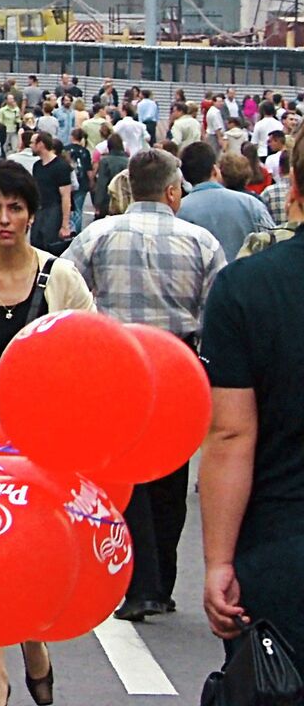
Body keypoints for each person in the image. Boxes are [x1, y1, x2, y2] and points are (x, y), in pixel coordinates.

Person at [0, 161, 94, 706]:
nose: (4, 219)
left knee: (29, 550)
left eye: (15, 208)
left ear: (32, 213)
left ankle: (33, 639)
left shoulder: (62, 278)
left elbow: (88, 354)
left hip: (41, 433)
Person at [63, 147, 227, 622]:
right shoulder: (200, 241)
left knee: (122, 474)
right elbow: (213, 311)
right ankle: (163, 582)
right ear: (172, 190)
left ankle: (136, 579)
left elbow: (69, 291)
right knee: (170, 477)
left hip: (114, 367)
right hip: (178, 367)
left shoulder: (97, 235)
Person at [197, 164, 304, 668]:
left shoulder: (245, 286)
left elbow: (231, 434)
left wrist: (219, 559)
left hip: (280, 540)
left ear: (295, 190)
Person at [175, 140, 274, 262]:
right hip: (247, 276)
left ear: (184, 176)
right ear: (214, 170)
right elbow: (273, 242)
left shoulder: (178, 211)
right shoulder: (251, 204)